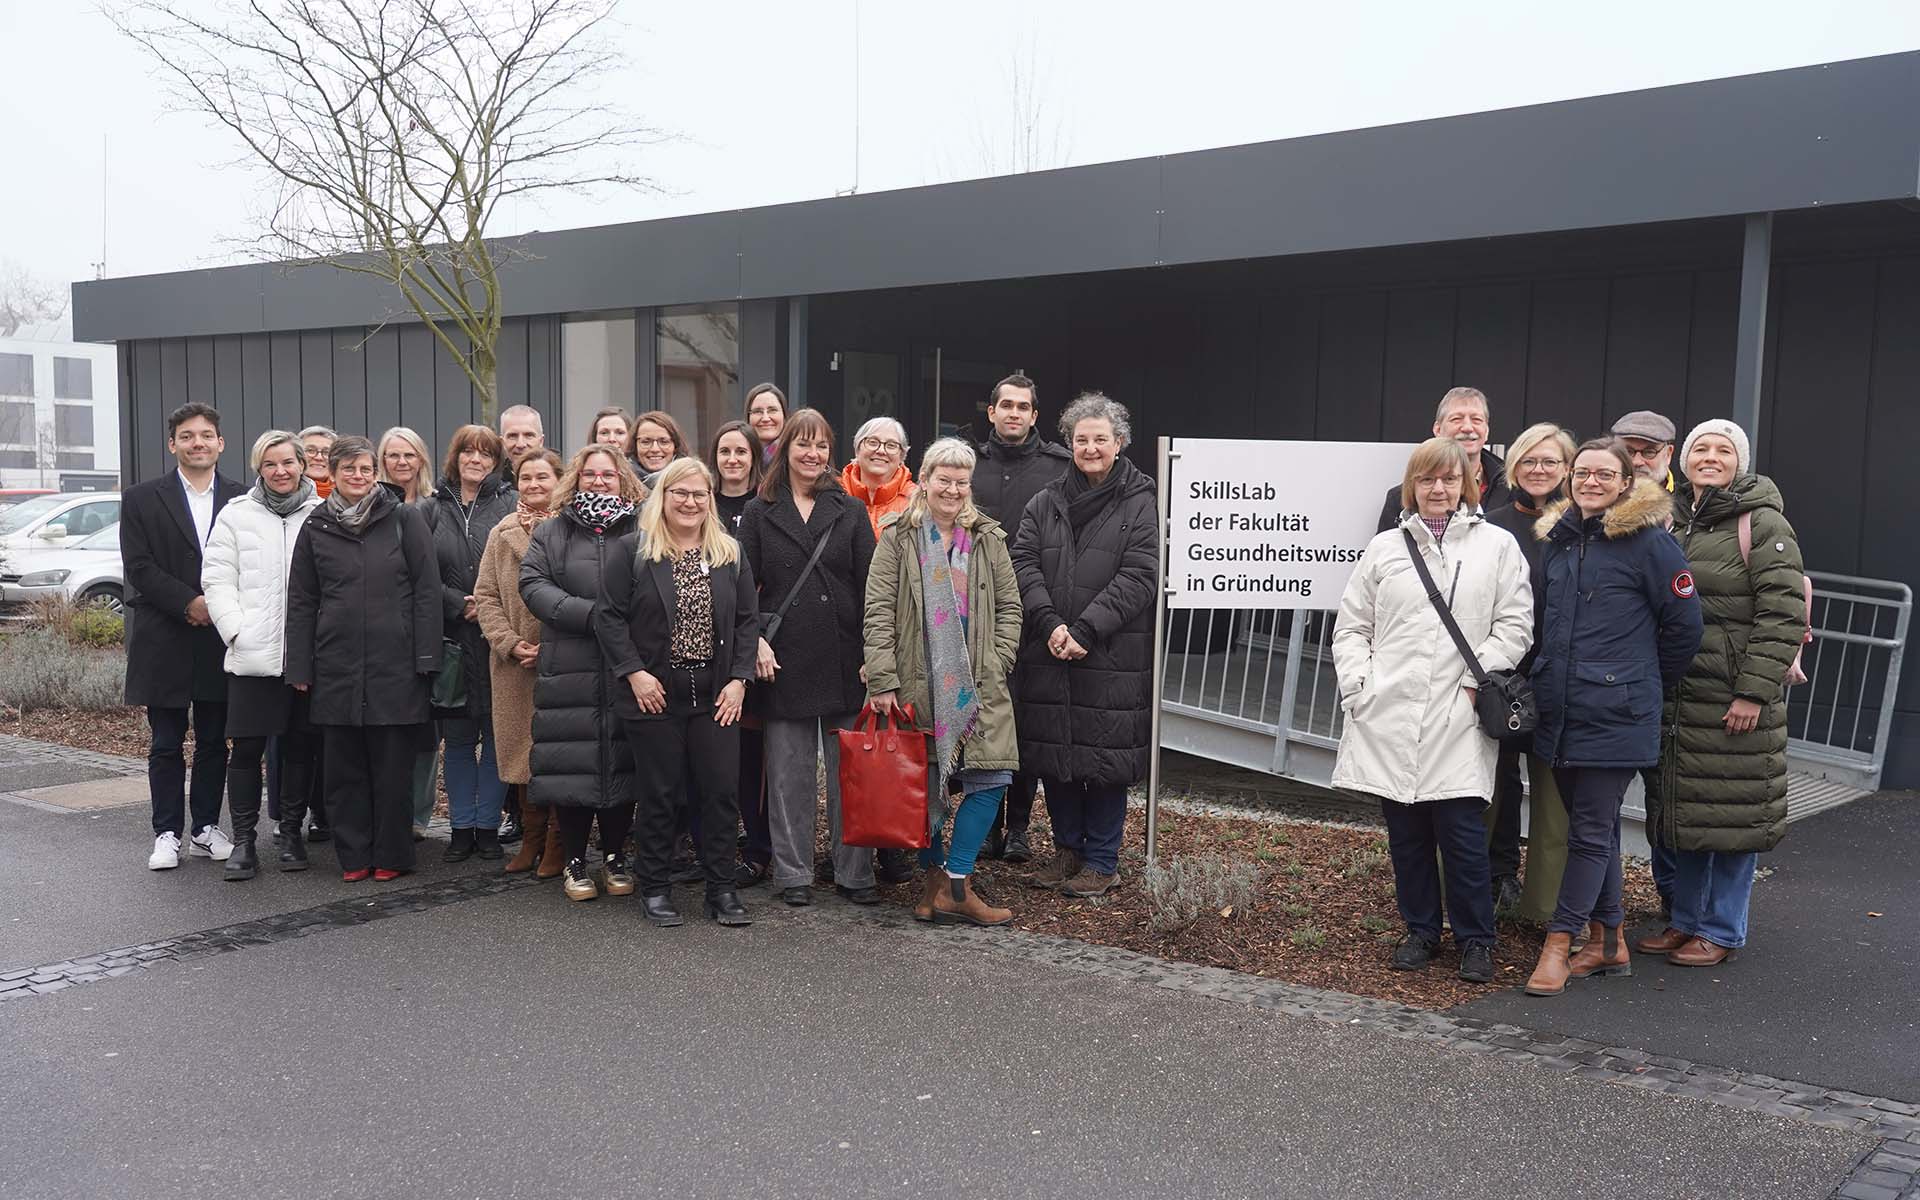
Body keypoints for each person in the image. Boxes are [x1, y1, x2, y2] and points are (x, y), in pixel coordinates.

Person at [1332, 438, 1534, 983]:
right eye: (1427, 479)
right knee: (1407, 835)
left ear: (1466, 484)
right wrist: (1359, 688)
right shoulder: (1385, 549)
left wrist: (1473, 682)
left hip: (1458, 710)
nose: (1438, 489)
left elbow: (1515, 625)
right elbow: (1352, 627)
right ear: (1412, 486)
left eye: (1449, 479)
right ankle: (1420, 930)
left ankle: (1476, 940)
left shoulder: (1497, 546)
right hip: (1389, 710)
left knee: (1462, 834)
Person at [1525, 438, 1701, 996]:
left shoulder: (1651, 543)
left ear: (1627, 482)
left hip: (1617, 713)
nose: (1591, 482)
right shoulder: (1560, 541)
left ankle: (1560, 943)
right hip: (1560, 710)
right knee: (1592, 830)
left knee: (1590, 831)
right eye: (1582, 472)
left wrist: (1636, 681)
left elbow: (1685, 627)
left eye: (1605, 474)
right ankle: (1610, 942)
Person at [1638, 419, 1802, 967]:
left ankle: (1723, 930)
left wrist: (1753, 692)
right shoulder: (1673, 518)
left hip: (1732, 696)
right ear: (1683, 461)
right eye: (1700, 448)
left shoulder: (1762, 521)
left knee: (1734, 817)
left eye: (1723, 450)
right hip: (1679, 696)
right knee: (1687, 811)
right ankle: (1685, 921)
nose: (1710, 457)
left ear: (1740, 462)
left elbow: (1782, 614)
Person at [865, 438, 1024, 926]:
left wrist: (997, 659)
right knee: (922, 787)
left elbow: (1010, 607)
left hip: (977, 686)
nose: (952, 490)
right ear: (925, 480)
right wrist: (883, 679)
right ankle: (934, 883)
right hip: (917, 683)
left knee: (992, 777)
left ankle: (956, 881)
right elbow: (878, 611)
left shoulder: (987, 538)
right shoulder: (898, 537)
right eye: (944, 480)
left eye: (961, 482)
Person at [596, 458, 759, 926]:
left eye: (699, 494)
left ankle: (722, 889)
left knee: (720, 792)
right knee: (660, 794)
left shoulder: (729, 553)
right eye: (680, 493)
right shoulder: (633, 551)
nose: (690, 502)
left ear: (710, 500)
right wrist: (633, 673)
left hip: (716, 695)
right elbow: (608, 617)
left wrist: (739, 680)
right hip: (654, 693)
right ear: (662, 497)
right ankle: (655, 887)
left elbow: (748, 621)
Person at [1010, 392, 1158, 898]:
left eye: (1100, 439)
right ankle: (1067, 852)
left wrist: (1086, 631)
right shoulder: (1044, 501)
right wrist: (1049, 622)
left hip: (1110, 655)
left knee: (1105, 760)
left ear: (1120, 442)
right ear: (1069, 444)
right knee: (1058, 755)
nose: (1090, 448)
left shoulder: (1140, 502)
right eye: (1081, 439)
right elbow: (1022, 563)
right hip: (1049, 648)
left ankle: (1101, 860)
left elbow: (1139, 576)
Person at [285, 436, 442, 882]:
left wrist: (426, 656)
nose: (358, 476)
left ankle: (392, 854)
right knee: (344, 769)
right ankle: (354, 856)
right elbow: (302, 600)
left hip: (397, 665)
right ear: (332, 474)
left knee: (393, 768)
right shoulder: (316, 525)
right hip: (336, 664)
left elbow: (427, 591)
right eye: (349, 469)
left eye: (365, 469)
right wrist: (299, 665)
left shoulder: (403, 518)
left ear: (376, 473)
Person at [739, 408, 879, 907]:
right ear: (785, 449)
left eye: (821, 445)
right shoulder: (760, 511)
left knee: (851, 774)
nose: (812, 453)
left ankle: (854, 872)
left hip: (844, 655)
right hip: (781, 659)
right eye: (803, 443)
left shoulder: (850, 510)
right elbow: (741, 588)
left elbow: (872, 590)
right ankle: (793, 872)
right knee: (788, 775)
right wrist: (755, 640)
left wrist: (874, 654)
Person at [520, 445, 645, 901]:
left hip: (627, 662)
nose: (598, 481)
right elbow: (533, 585)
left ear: (622, 478)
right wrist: (593, 616)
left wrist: (623, 622)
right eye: (590, 474)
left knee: (623, 762)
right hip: (569, 664)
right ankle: (575, 861)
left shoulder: (643, 527)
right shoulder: (552, 531)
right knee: (570, 765)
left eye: (608, 474)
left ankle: (614, 856)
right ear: (575, 479)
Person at [125, 403, 246, 870]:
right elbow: (139, 567)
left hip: (220, 636)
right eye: (188, 436)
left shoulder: (241, 498)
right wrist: (189, 602)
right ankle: (167, 833)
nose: (198, 443)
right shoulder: (141, 498)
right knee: (166, 743)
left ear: (221, 443)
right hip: (165, 635)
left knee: (215, 742)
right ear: (172, 444)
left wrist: (216, 606)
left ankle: (205, 829)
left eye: (207, 435)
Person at [203, 430, 323, 879]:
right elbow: (217, 579)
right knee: (247, 749)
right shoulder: (236, 514)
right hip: (252, 655)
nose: (280, 471)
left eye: (288, 462)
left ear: (302, 465)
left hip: (305, 656)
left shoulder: (321, 514)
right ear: (259, 468)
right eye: (270, 464)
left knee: (299, 748)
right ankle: (244, 841)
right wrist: (235, 631)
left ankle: (291, 833)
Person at [972, 372, 1071, 863]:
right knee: (986, 718)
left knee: (1027, 720)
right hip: (977, 614)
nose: (1014, 413)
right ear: (991, 412)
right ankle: (986, 826)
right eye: (1006, 405)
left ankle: (1018, 829)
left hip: (1037, 611)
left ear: (1035, 416)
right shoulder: (969, 464)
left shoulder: (1059, 467)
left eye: (1023, 407)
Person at [1481, 422, 1578, 923]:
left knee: (1553, 808)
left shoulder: (1583, 526)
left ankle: (1545, 914)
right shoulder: (1490, 526)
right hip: (1497, 683)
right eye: (1528, 461)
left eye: (1550, 461)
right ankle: (1468, 902)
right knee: (1483, 796)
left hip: (1559, 684)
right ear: (1513, 467)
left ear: (1568, 468)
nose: (1538, 470)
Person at [426, 425, 518, 862]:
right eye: (468, 452)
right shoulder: (432, 507)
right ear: (456, 456)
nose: (476, 460)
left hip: (497, 639)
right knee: (460, 740)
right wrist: (454, 603)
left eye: (485, 454)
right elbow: (419, 570)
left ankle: (488, 827)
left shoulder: (510, 504)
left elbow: (520, 565)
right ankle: (461, 829)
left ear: (496, 461)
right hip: (453, 641)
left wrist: (487, 604)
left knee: (497, 739)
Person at [477, 450, 564, 876]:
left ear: (559, 481)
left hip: (563, 663)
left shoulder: (572, 530)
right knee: (523, 757)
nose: (533, 484)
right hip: (515, 666)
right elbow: (486, 595)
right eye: (526, 477)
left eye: (542, 477)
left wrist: (556, 646)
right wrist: (510, 644)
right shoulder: (502, 533)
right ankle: (530, 840)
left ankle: (557, 843)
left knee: (559, 756)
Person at [1610, 409, 1681, 918]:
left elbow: (1686, 621)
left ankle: (1677, 906)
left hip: (1671, 684)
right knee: (1600, 808)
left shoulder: (1696, 507)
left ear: (1668, 454)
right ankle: (1604, 914)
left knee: (1669, 799)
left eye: (1648, 451)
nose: (1638, 459)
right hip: (1611, 688)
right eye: (1628, 450)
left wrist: (1660, 674)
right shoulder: (1594, 505)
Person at [708, 418, 771, 885]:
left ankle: (758, 848)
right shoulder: (699, 501)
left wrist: (757, 636)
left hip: (750, 645)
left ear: (754, 457)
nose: (732, 459)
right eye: (725, 451)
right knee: (710, 756)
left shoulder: (765, 507)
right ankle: (712, 846)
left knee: (751, 757)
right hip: (702, 649)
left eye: (741, 452)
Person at [378, 425, 440, 838]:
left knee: (426, 731)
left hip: (432, 624)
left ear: (421, 460)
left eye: (409, 454)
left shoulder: (439, 506)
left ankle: (419, 814)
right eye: (393, 455)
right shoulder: (372, 507)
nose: (402, 462)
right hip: (388, 631)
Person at [1375, 387, 1510, 533]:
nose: (1467, 427)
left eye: (1476, 419)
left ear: (1487, 431)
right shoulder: (1400, 498)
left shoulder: (1512, 490)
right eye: (1456, 419)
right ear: (1438, 430)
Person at [841, 416, 916, 538]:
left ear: (902, 456)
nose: (881, 451)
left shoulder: (917, 501)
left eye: (891, 445)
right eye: (872, 442)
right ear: (857, 449)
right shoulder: (833, 494)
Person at [630, 410, 688, 490]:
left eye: (664, 442)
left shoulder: (692, 481)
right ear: (634, 446)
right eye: (646, 442)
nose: (655, 449)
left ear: (676, 446)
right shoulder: (619, 482)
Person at [497, 405, 546, 488]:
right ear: (502, 442)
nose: (520, 444)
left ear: (541, 441)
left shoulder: (561, 485)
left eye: (529, 435)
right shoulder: (489, 486)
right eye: (513, 436)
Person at [745, 382, 787, 464]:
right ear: (748, 417)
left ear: (784, 415)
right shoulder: (736, 457)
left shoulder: (796, 458)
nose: (765, 418)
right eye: (758, 411)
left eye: (772, 410)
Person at [299, 425, 337, 499]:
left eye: (326, 452)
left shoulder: (348, 495)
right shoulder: (283, 493)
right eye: (311, 450)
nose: (319, 457)